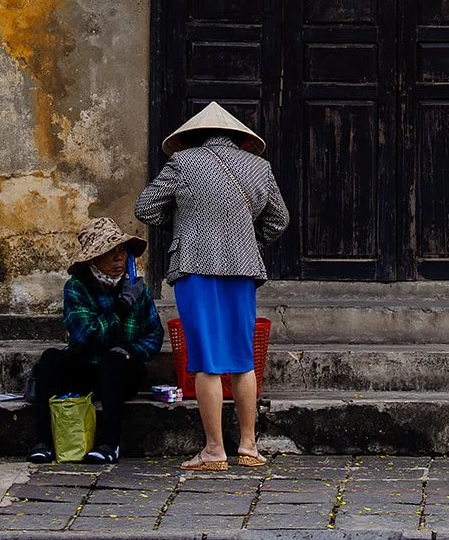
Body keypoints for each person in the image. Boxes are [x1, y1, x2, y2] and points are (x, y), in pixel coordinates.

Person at [135, 101, 289, 472]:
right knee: (242, 359)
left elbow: (146, 207)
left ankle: (214, 450)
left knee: (205, 361)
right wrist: (248, 239)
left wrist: (184, 225)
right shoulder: (259, 166)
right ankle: (249, 446)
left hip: (195, 266)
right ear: (237, 138)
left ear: (194, 136)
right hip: (242, 266)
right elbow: (279, 219)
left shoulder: (182, 163)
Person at [28, 217, 164, 465]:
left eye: (122, 251)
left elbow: (155, 335)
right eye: (109, 253)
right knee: (50, 359)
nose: (119, 259)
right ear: (93, 259)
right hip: (88, 366)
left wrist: (129, 350)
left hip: (121, 370)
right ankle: (43, 442)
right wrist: (123, 306)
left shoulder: (137, 289)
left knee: (114, 361)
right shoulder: (77, 288)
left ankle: (109, 445)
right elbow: (86, 337)